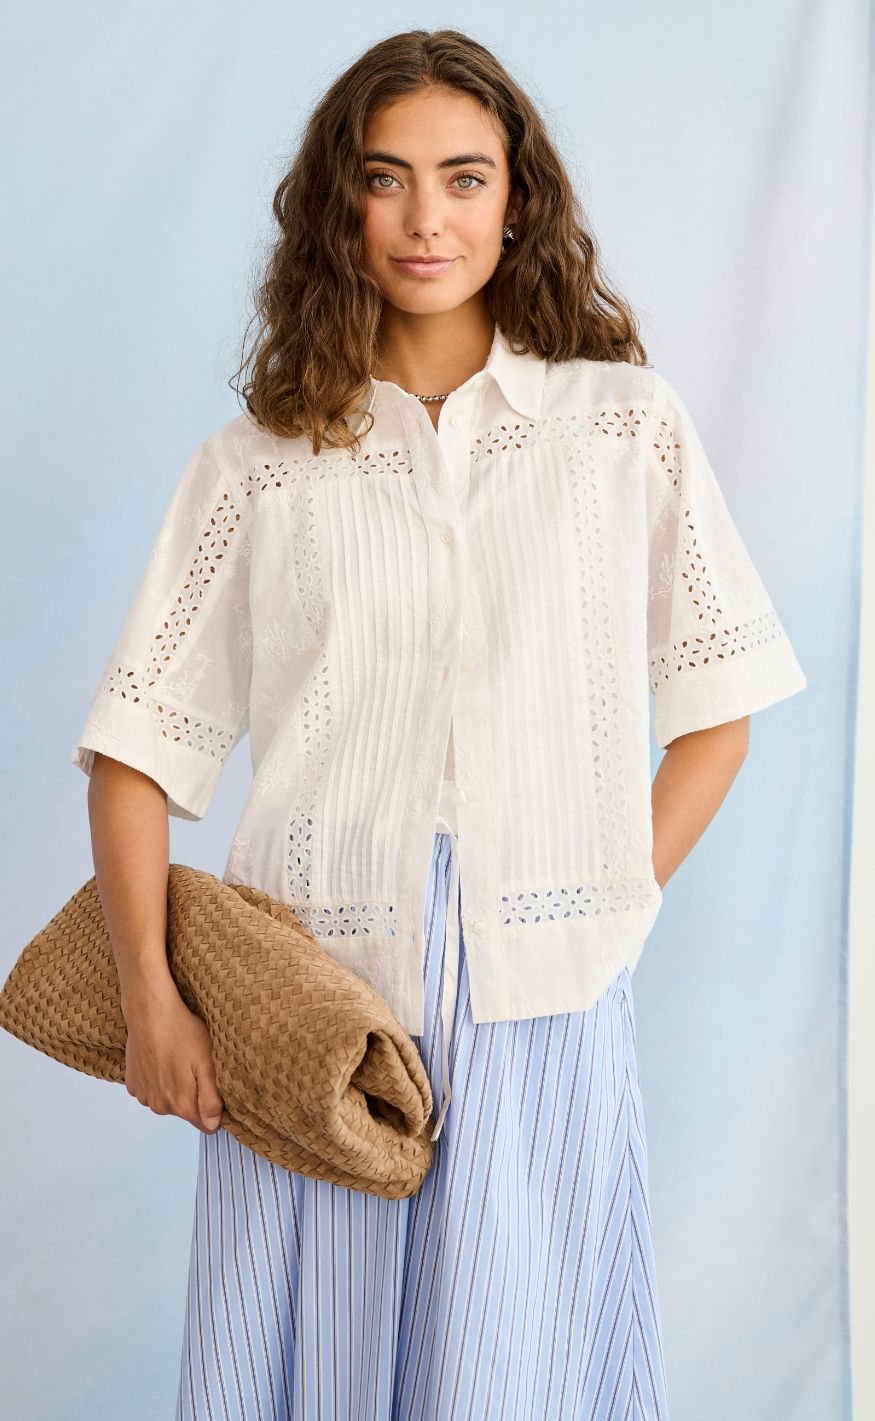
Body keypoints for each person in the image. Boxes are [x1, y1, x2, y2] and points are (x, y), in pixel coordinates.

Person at [70, 27, 807, 1421]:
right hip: (312, 1008)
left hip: (548, 993)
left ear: (516, 199)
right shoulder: (258, 467)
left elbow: (720, 716)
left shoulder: (622, 429)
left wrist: (607, 899)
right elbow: (132, 754)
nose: (426, 218)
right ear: (337, 205)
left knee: (522, 1373)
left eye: (464, 178)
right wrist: (154, 1004)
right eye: (384, 177)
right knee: (310, 1363)